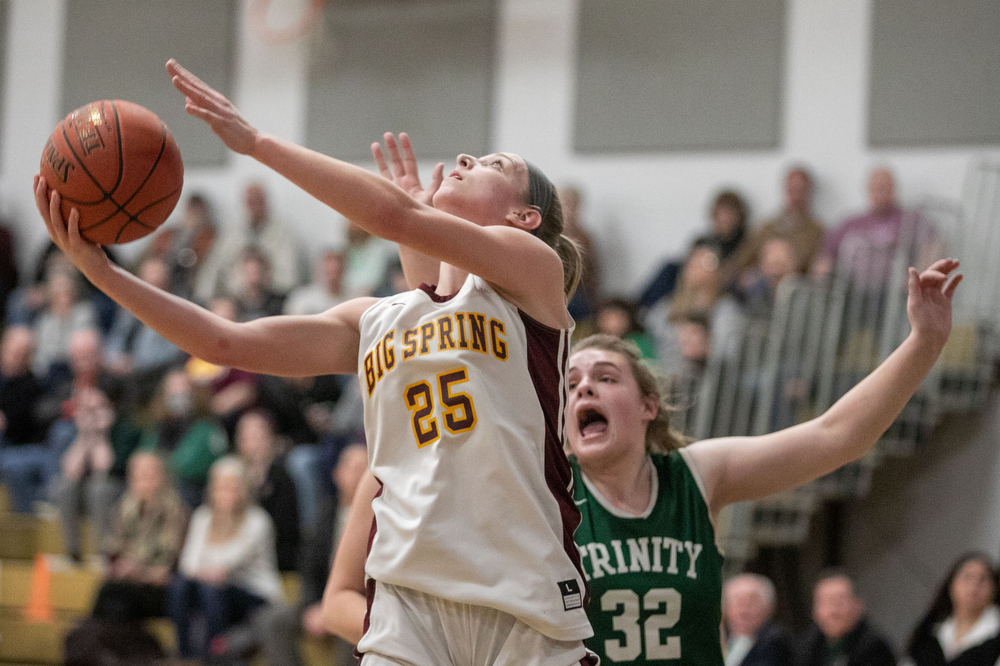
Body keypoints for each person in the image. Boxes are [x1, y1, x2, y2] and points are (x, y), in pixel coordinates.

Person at [36, 57, 593, 665]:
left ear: (524, 218)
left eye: (493, 165)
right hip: (409, 607)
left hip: (522, 597)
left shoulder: (531, 277)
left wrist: (257, 144)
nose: (465, 160)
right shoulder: (374, 320)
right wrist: (100, 272)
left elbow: (395, 217)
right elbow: (222, 342)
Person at [324, 255, 961, 665]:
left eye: (605, 378)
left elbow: (835, 436)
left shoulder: (699, 475)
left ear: (649, 404)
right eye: (570, 384)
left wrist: (924, 343)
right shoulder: (531, 485)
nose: (583, 391)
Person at [168, 455, 285, 660]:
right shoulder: (202, 516)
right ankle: (184, 654)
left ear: (244, 489)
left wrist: (206, 570)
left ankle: (217, 655)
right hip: (216, 590)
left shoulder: (258, 520)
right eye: (221, 486)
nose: (226, 492)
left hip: (254, 593)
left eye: (233, 486)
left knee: (211, 589)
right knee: (180, 585)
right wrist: (207, 571)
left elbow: (228, 564)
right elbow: (187, 565)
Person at [91, 450, 189, 622]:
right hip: (130, 580)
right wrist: (122, 566)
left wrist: (138, 568)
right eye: (138, 477)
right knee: (108, 591)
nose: (143, 483)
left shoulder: (175, 510)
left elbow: (170, 556)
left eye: (149, 476)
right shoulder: (123, 507)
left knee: (119, 598)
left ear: (163, 478)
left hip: (161, 585)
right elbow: (114, 546)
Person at [813, 167, 938, 286]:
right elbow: (825, 257)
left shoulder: (911, 220)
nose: (880, 192)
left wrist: (917, 277)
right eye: (876, 188)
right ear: (868, 190)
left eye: (884, 187)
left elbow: (934, 247)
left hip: (892, 293)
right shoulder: (850, 223)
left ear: (894, 189)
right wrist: (823, 271)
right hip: (851, 290)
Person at [904, 552, 1000, 666]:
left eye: (983, 579)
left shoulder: (995, 637)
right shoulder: (930, 630)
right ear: (952, 583)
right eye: (968, 577)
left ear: (994, 589)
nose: (974, 585)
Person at [730, 167, 825, 280]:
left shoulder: (816, 231)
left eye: (800, 190)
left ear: (808, 191)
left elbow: (813, 267)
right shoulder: (767, 226)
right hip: (760, 282)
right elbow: (743, 258)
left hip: (795, 284)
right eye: (792, 189)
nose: (795, 195)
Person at [795, 569, 895, 666]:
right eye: (824, 603)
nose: (832, 612)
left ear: (858, 605)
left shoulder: (875, 647)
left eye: (839, 603)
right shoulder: (806, 647)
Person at [722, 574, 792, 666]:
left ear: (768, 607)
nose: (743, 611)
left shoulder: (775, 643)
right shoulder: (719, 639)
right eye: (738, 603)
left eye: (751, 603)